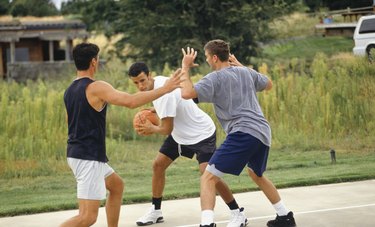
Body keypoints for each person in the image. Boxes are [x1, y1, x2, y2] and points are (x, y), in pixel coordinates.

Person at [61, 43, 182, 227]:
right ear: (94, 61)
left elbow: (69, 120)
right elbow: (131, 101)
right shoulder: (96, 87)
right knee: (87, 217)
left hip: (78, 154)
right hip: (88, 157)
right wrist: (165, 89)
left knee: (116, 186)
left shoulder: (70, 89)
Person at [180, 40, 297, 227]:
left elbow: (186, 93)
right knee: (256, 174)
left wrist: (185, 67)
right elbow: (268, 84)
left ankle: (207, 224)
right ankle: (285, 217)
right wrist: (242, 66)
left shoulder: (214, 78)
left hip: (243, 132)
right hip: (262, 132)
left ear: (215, 57)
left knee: (208, 177)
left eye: (207, 57)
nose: (207, 60)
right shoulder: (245, 72)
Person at [128, 62, 247, 227]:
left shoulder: (163, 94)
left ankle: (237, 213)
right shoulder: (159, 84)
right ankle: (156, 210)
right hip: (180, 135)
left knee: (209, 176)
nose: (140, 86)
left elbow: (166, 129)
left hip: (201, 134)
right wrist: (156, 111)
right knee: (158, 165)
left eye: (142, 80)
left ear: (149, 75)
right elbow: (171, 108)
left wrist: (151, 128)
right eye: (135, 83)